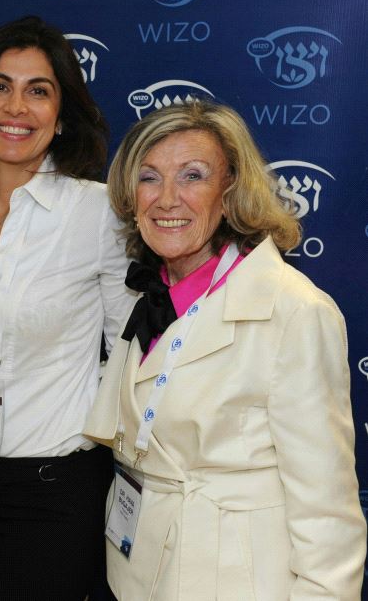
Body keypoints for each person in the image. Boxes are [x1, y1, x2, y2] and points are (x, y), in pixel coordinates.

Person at [84, 100, 366, 600]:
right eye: (149, 178)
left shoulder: (296, 312)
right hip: (139, 572)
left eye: (192, 176)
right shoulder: (151, 296)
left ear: (231, 190)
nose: (167, 199)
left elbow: (327, 513)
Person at [0, 16, 134, 600]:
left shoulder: (98, 213)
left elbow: (131, 351)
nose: (16, 107)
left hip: (52, 489)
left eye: (38, 90)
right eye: (0, 87)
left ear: (61, 115)